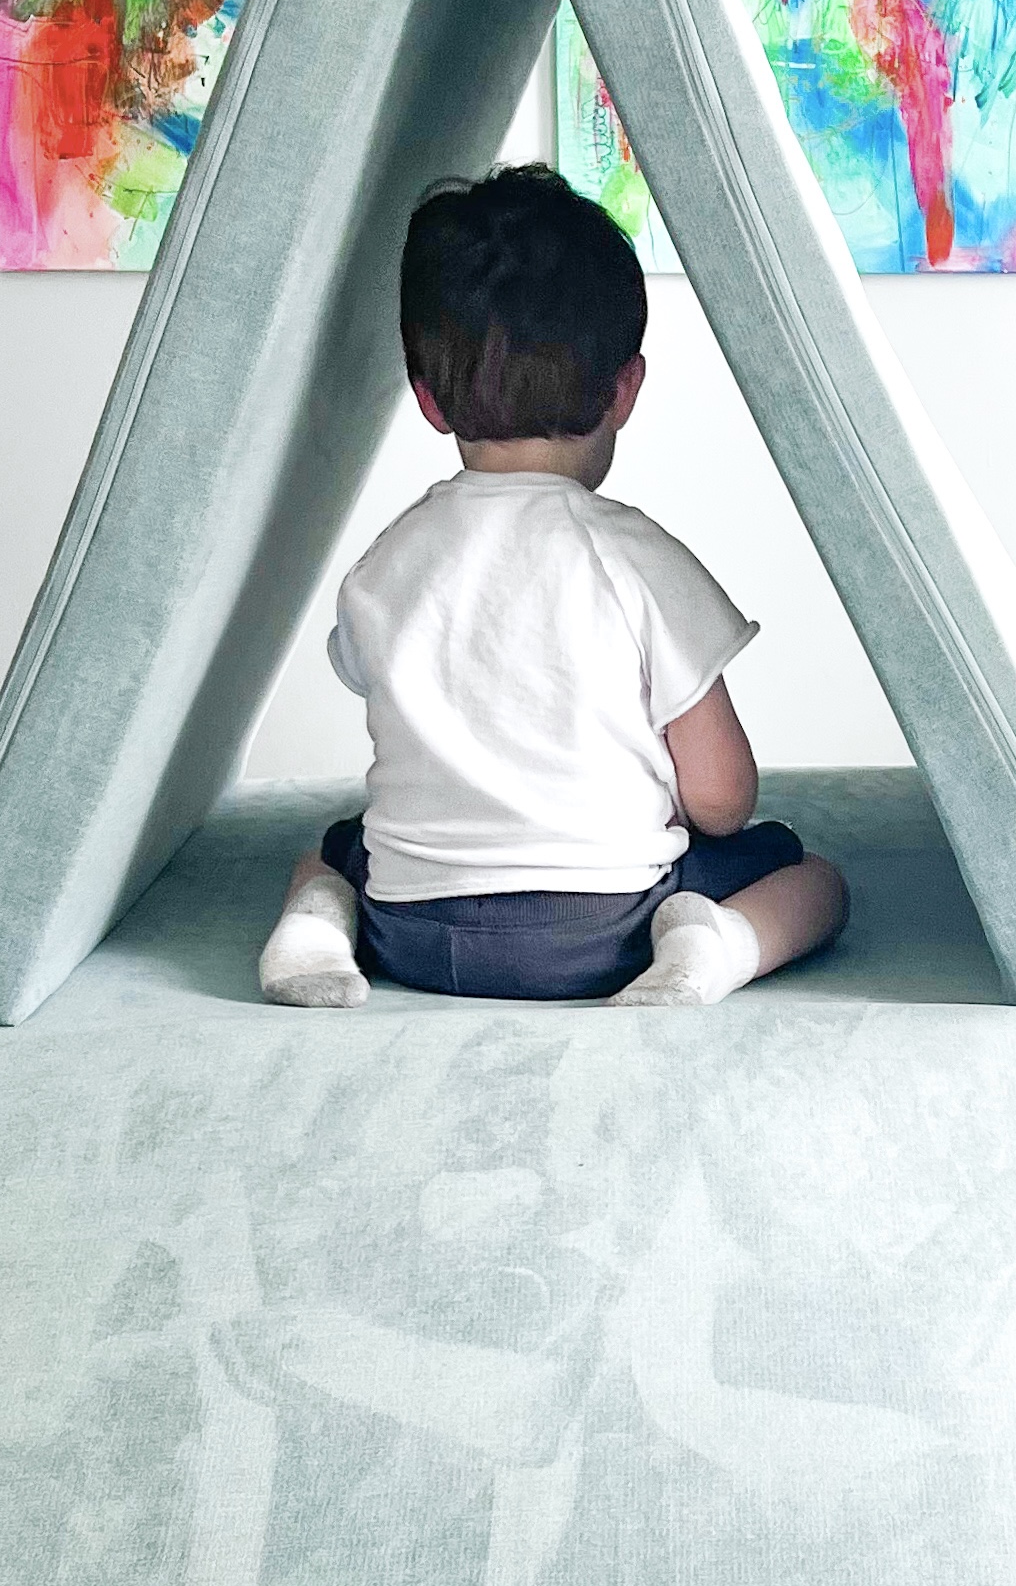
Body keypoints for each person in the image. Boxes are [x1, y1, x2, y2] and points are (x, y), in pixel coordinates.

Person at [257, 164, 848, 1008]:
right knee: (810, 875)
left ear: (426, 398)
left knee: (330, 851)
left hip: (411, 930)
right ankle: (712, 946)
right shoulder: (639, 560)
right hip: (604, 934)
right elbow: (721, 801)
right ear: (625, 388)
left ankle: (316, 928)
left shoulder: (386, 563)